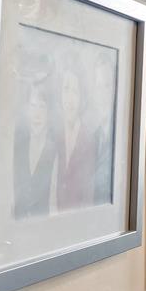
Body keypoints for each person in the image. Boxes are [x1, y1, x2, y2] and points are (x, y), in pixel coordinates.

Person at [53, 65, 111, 210]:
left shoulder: (89, 139)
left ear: (81, 98)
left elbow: (88, 198)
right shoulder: (55, 137)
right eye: (66, 89)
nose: (70, 99)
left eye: (75, 92)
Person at [11, 79, 56, 217]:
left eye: (42, 107)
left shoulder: (55, 151)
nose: (37, 114)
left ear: (49, 112)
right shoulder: (18, 147)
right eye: (33, 106)